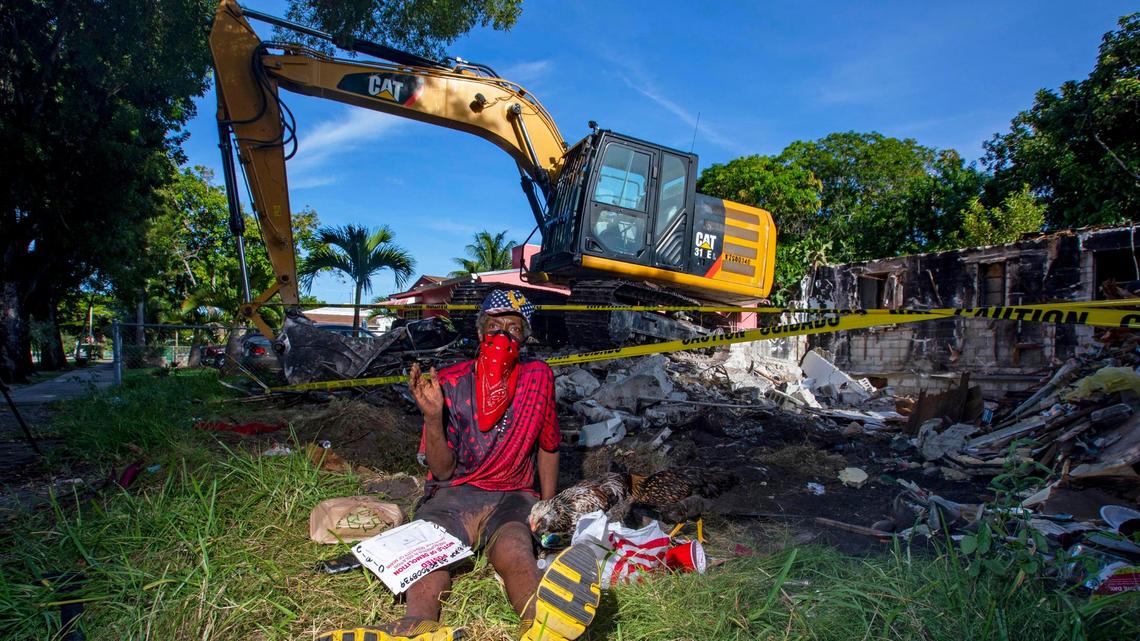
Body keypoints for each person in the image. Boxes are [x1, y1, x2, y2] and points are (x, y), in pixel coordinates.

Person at [319, 290, 601, 641]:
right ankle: (417, 625)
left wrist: (548, 506)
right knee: (428, 550)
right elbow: (442, 471)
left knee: (515, 547)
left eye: (514, 329)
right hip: (457, 492)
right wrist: (432, 417)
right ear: (481, 332)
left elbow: (549, 446)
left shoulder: (537, 377)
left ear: (525, 337)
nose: (503, 336)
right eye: (494, 327)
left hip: (514, 493)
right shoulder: (451, 381)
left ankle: (540, 623)